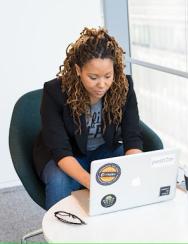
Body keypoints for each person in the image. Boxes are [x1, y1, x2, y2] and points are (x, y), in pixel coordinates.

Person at [33, 27, 143, 210]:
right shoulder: (55, 92)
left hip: (103, 150)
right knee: (59, 181)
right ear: (78, 70)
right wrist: (93, 182)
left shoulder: (124, 86)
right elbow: (60, 150)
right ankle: (61, 235)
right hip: (66, 155)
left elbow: (132, 136)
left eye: (108, 76)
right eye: (93, 77)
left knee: (137, 166)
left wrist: (134, 166)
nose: (102, 84)